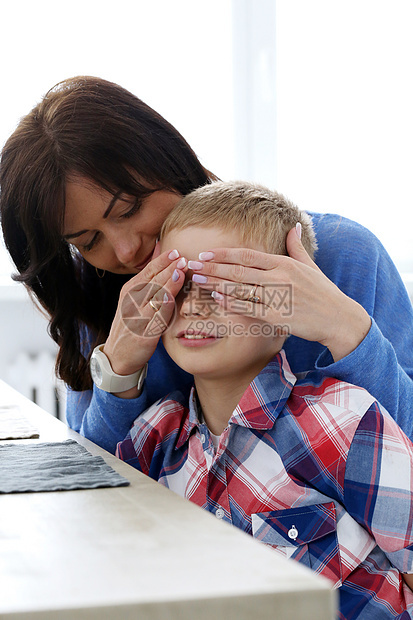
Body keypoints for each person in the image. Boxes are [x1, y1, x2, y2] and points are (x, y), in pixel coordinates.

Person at [0, 75, 412, 454]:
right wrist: (120, 372)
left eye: (129, 209)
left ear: (169, 162)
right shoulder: (104, 297)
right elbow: (98, 485)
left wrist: (346, 331)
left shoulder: (341, 255)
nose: (125, 252)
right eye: (88, 242)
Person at [116, 180, 413, 619]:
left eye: (225, 286)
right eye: (177, 286)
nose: (193, 307)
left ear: (288, 303)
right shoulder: (154, 436)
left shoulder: (344, 421)